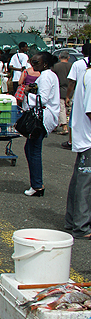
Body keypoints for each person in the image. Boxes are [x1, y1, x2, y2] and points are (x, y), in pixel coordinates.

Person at [20, 52, 61, 197]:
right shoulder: (47, 75)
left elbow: (42, 99)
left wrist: (27, 92)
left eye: (36, 62)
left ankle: (37, 185)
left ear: (44, 64)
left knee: (34, 150)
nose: (32, 65)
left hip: (43, 117)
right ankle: (36, 183)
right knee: (30, 149)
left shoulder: (46, 77)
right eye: (32, 62)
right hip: (45, 116)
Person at [65, 42, 91, 239]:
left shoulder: (86, 74)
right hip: (88, 137)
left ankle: (73, 219)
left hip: (84, 135)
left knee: (80, 179)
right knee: (85, 182)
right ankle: (81, 226)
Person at [53, 52, 72, 135]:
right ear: (68, 58)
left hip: (59, 90)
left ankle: (64, 127)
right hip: (70, 90)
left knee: (61, 108)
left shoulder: (55, 66)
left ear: (59, 57)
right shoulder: (72, 66)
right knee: (69, 109)